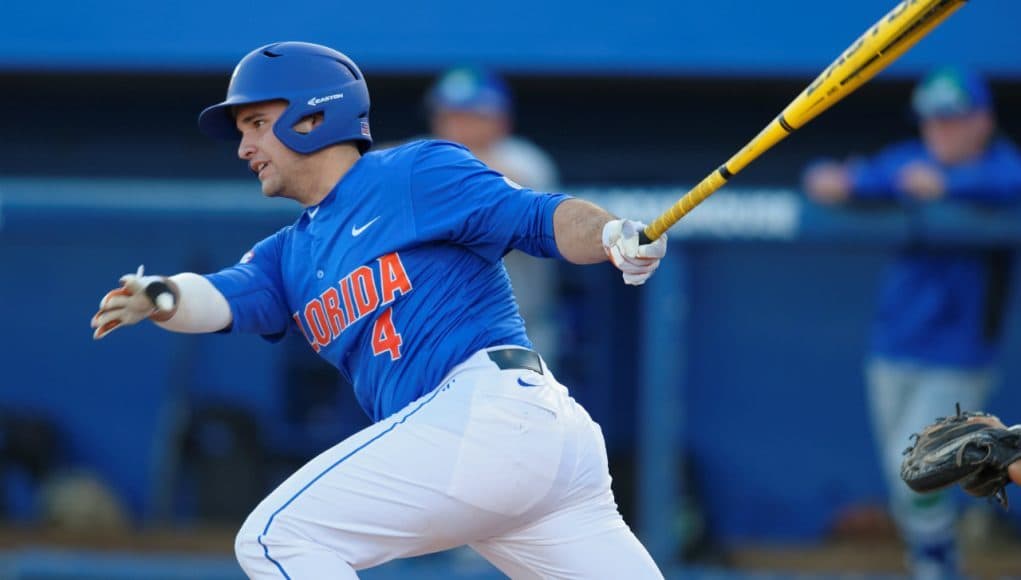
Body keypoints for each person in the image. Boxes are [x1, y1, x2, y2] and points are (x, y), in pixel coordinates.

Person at [90, 42, 667, 579]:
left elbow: (540, 218)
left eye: (258, 125)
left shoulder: (411, 173)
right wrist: (162, 294)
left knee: (274, 538)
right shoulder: (288, 254)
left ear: (313, 118)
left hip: (489, 411)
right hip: (510, 444)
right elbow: (216, 297)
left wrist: (613, 233)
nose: (245, 148)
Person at [803, 67, 1021, 579]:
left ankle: (937, 559)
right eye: (933, 121)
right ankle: (938, 555)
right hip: (893, 345)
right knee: (905, 475)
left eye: (953, 120)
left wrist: (947, 186)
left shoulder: (1002, 168)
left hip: (960, 353)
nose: (940, 131)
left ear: (982, 120)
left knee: (916, 470)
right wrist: (836, 180)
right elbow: (830, 178)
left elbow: (1008, 180)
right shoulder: (909, 162)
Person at [425, 66, 562, 363]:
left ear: (501, 120)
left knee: (519, 408)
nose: (459, 126)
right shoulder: (422, 154)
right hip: (440, 335)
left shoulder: (524, 159)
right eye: (451, 116)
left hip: (517, 334)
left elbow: (505, 181)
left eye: (473, 116)